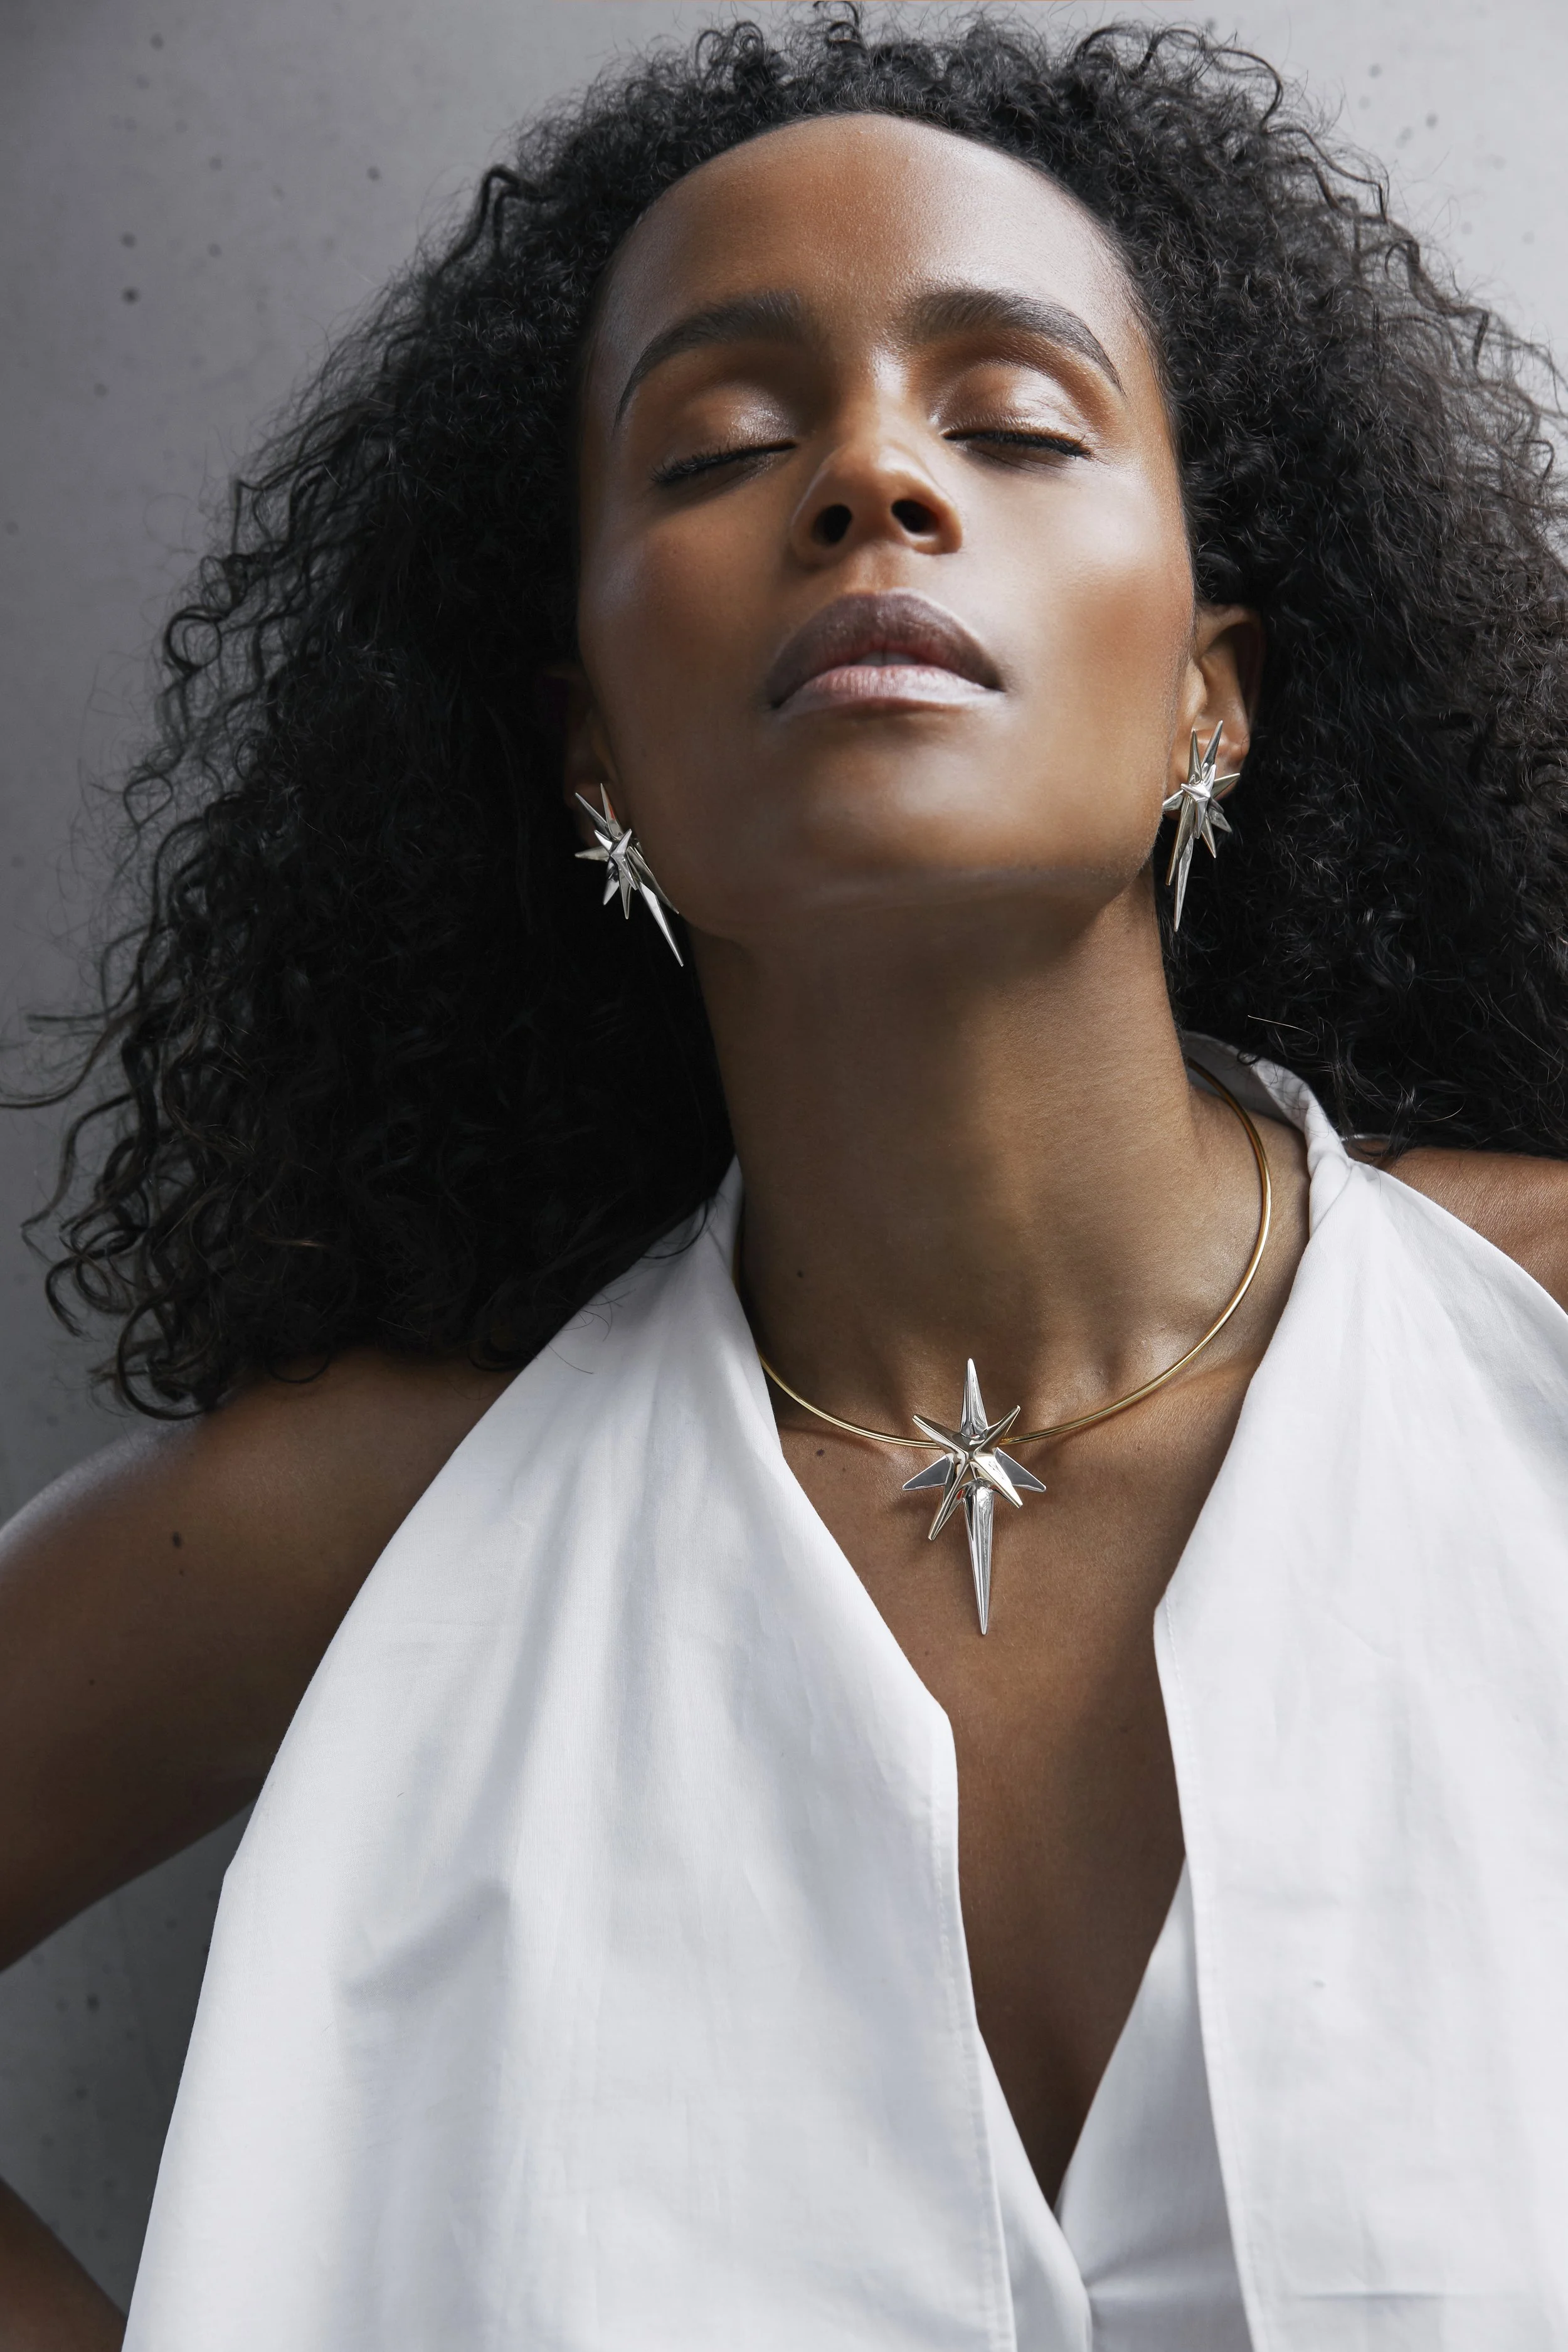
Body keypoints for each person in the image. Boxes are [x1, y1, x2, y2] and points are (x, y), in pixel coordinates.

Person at [4, 9, 1568, 2344]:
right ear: (588, 743)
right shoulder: (380, 1529)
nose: (869, 478)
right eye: (723, 444)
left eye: (1015, 422)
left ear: (1208, 696)